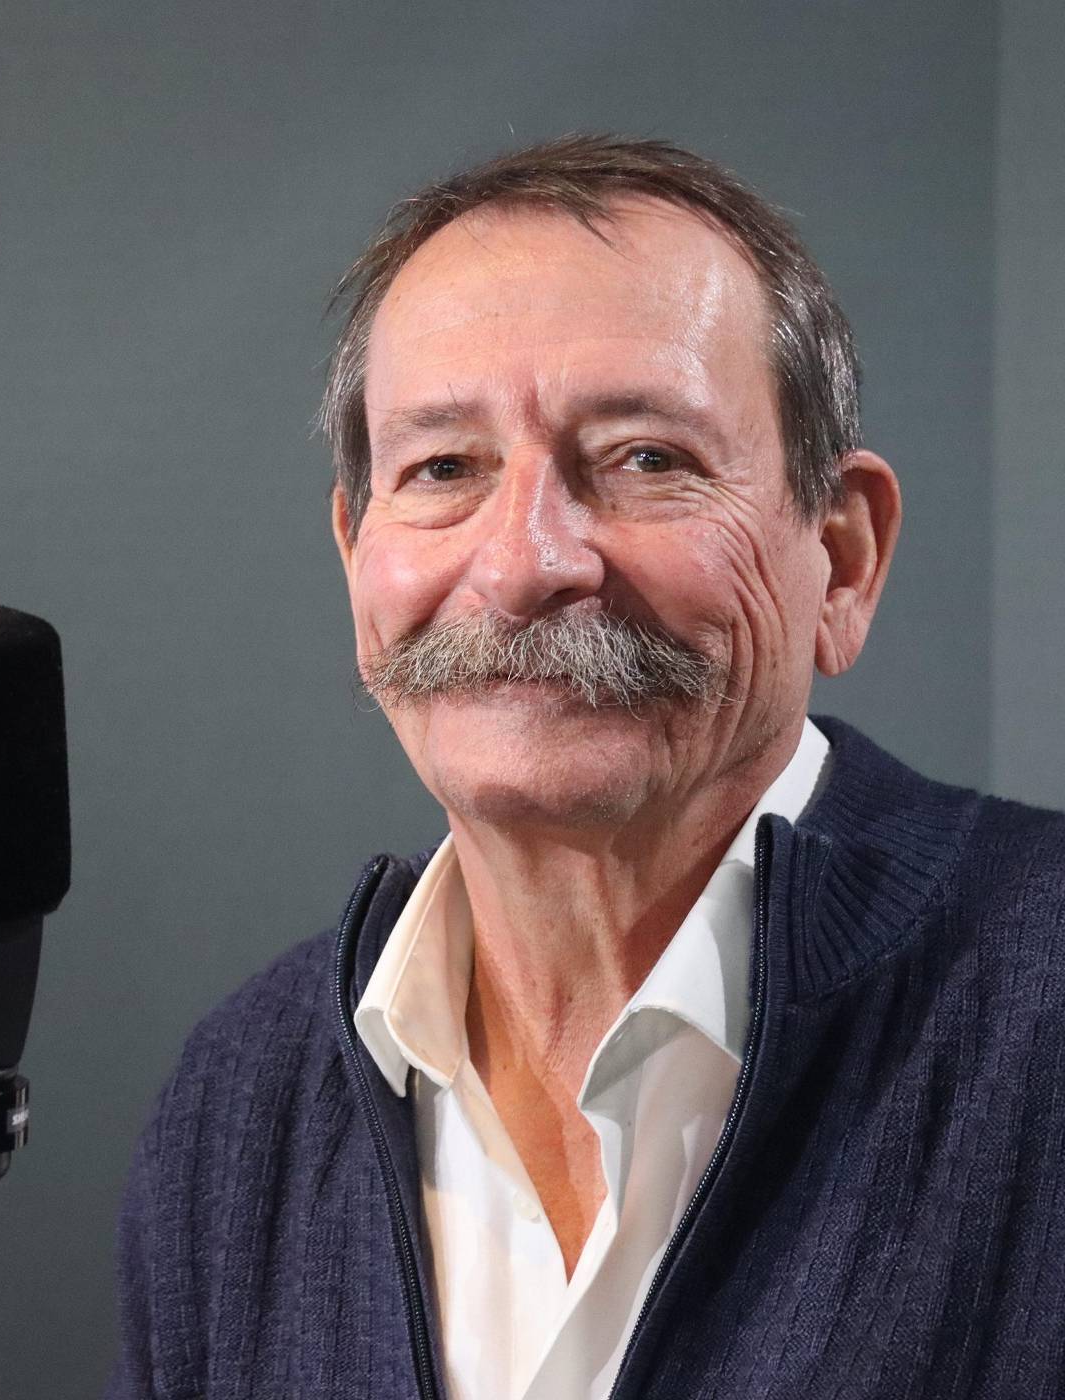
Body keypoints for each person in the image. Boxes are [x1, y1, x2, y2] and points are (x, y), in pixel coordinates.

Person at [106, 137, 1065, 1400]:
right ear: (355, 557)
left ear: (839, 558)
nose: (522, 564)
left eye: (644, 458)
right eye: (443, 468)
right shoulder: (238, 1107)